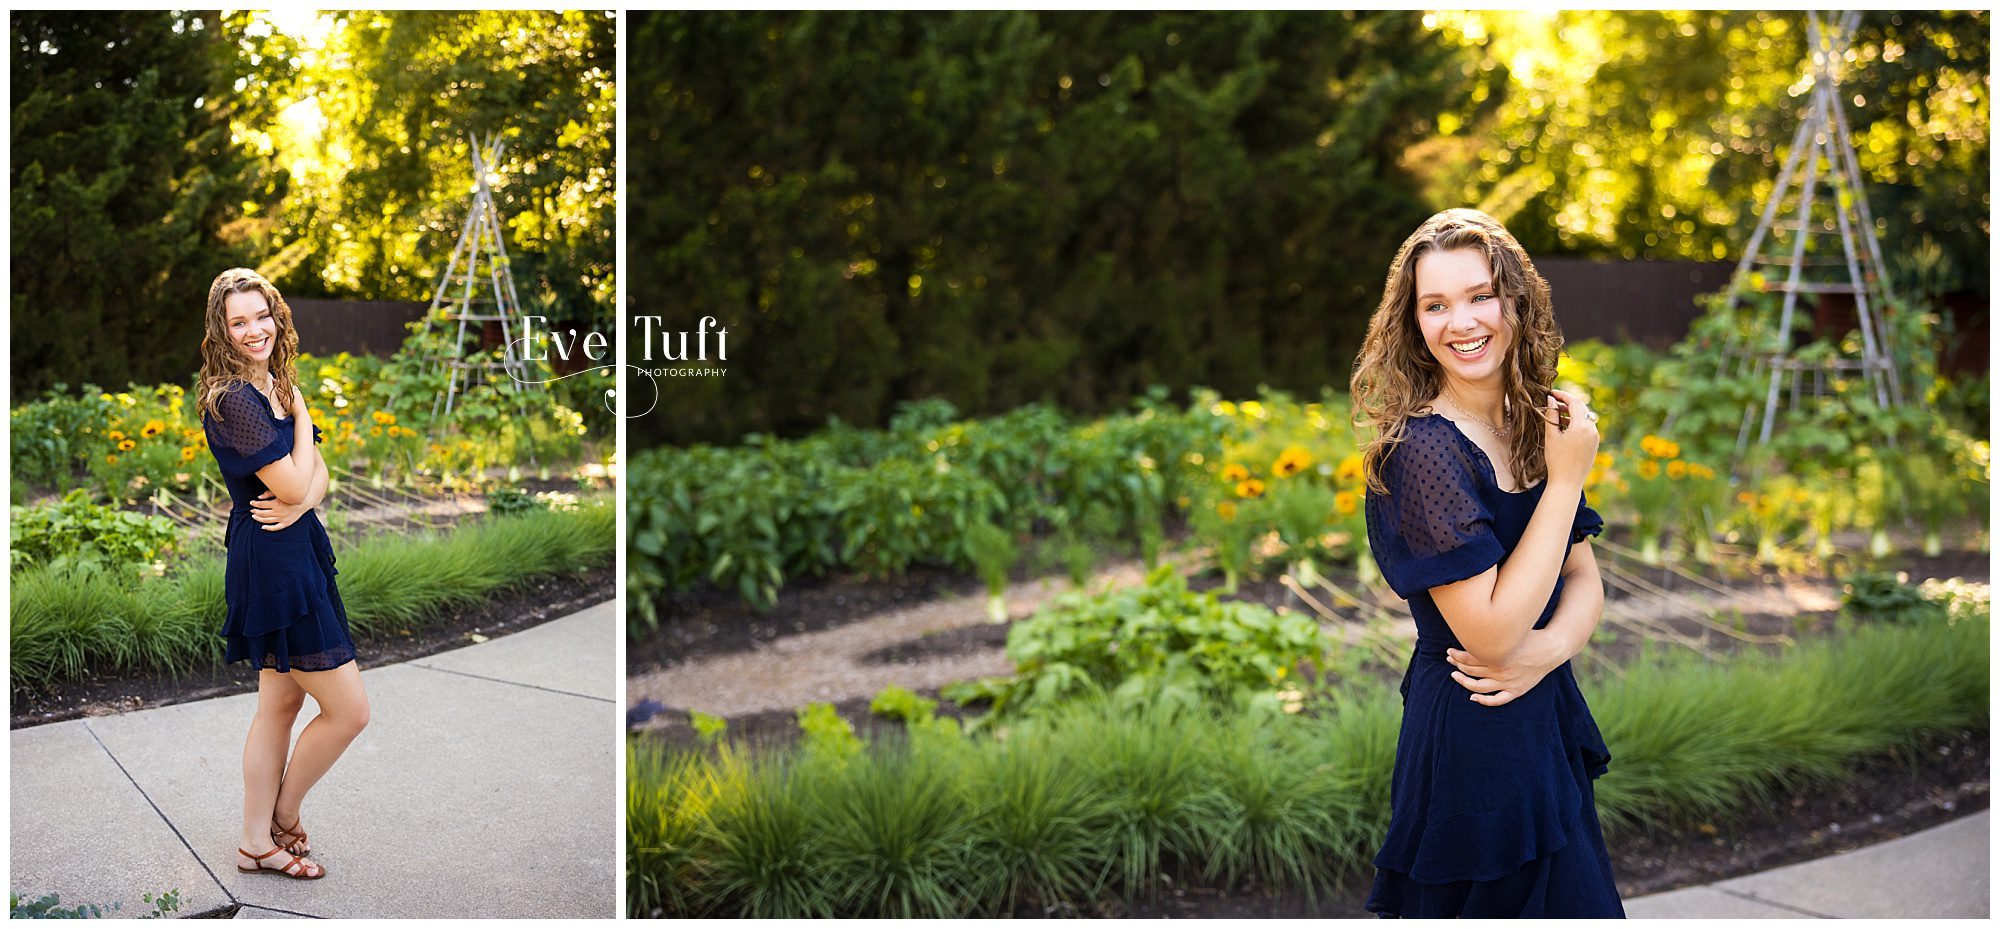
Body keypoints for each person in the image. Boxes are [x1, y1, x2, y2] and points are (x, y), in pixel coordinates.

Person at [1348, 209, 1622, 917]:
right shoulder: (1422, 451)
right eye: (1435, 304)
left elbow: (1583, 577)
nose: (1460, 321)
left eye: (1479, 295)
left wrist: (1548, 651)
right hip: (1474, 735)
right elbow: (1492, 635)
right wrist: (1564, 480)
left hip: (1540, 713)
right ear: (1412, 323)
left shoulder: (1534, 420)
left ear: (1516, 301)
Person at [197, 268, 369, 881]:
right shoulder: (235, 399)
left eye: (260, 315)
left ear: (276, 314)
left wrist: (302, 491)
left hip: (296, 548)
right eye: (238, 322)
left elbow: (320, 480)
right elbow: (301, 477)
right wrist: (303, 423)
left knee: (279, 704)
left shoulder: (272, 383)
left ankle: (253, 843)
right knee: (349, 711)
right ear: (221, 330)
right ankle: (283, 818)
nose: (253, 330)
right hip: (271, 560)